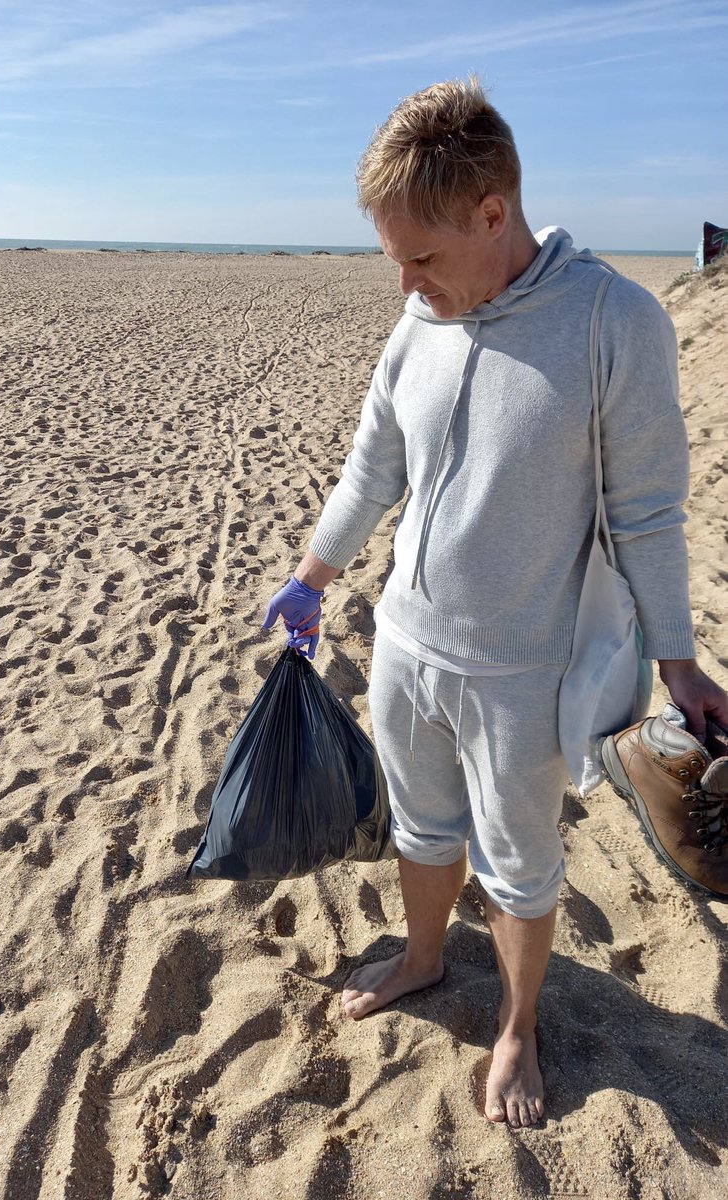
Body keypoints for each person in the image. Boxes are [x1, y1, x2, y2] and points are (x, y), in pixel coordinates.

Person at [261, 77, 728, 1129]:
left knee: (519, 864)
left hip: (526, 670)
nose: (405, 282)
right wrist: (312, 578)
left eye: (421, 257)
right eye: (393, 258)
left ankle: (519, 1026)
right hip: (406, 643)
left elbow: (647, 512)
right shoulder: (420, 320)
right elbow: (372, 467)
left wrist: (678, 660)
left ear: (492, 212)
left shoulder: (614, 320)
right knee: (423, 826)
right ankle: (424, 956)